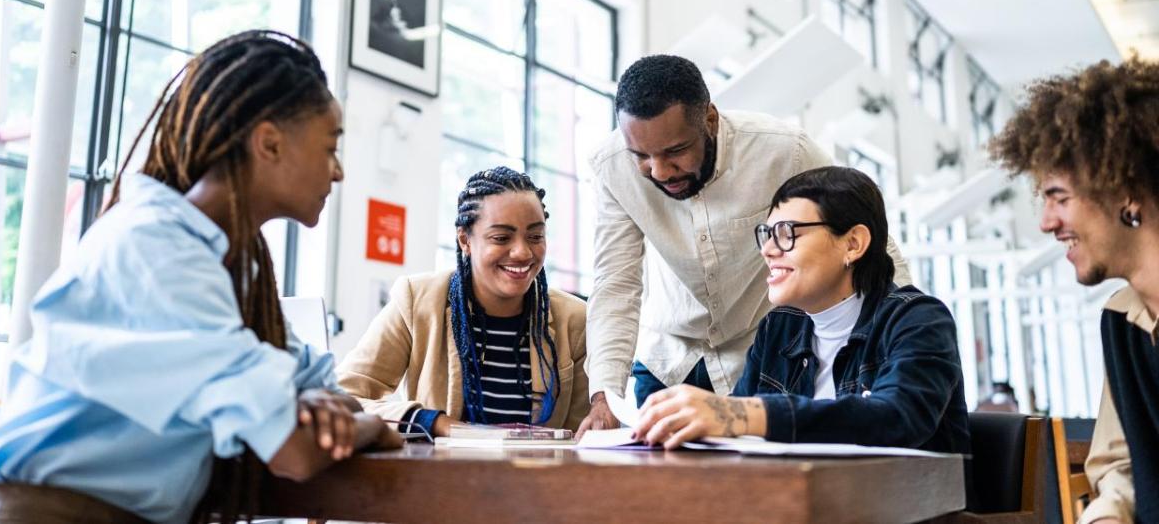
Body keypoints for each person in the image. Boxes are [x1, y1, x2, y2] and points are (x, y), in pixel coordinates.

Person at [0, 30, 399, 524]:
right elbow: (294, 452)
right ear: (269, 144)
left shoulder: (232, 272)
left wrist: (316, 403)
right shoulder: (157, 252)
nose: (338, 171)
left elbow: (322, 386)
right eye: (330, 148)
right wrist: (370, 429)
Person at [577, 55, 911, 436]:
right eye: (641, 156)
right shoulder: (610, 167)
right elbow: (615, 284)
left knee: (756, 484)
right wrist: (604, 397)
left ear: (710, 120)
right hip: (669, 359)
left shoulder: (786, 152)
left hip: (759, 357)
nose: (659, 171)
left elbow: (867, 235)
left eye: (674, 152)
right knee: (667, 489)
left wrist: (902, 332)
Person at [632, 167, 970, 463]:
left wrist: (739, 414)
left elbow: (898, 417)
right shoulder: (780, 327)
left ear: (853, 243)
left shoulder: (918, 319)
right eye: (766, 234)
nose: (768, 249)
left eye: (787, 233)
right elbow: (736, 433)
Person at [987, 57, 1159, 524]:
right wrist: (1106, 515)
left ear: (1125, 193)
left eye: (1060, 198)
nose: (1046, 223)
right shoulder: (1124, 323)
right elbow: (1124, 465)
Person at [337, 166, 590, 436]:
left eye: (535, 236)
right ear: (464, 240)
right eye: (501, 238)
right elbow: (343, 397)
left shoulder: (573, 319)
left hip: (539, 475)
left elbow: (583, 436)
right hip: (444, 475)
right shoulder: (417, 300)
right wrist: (431, 421)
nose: (522, 252)